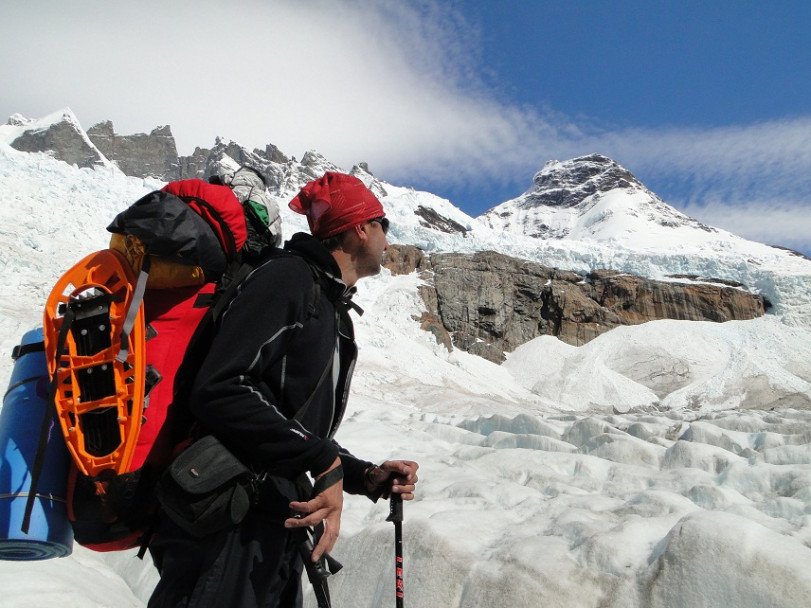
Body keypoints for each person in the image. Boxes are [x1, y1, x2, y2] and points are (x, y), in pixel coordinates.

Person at [148, 172, 420, 608]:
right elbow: (221, 387)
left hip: (273, 525)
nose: (388, 239)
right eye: (382, 224)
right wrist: (320, 457)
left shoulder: (329, 306)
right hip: (230, 527)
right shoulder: (289, 279)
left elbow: (291, 427)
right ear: (359, 228)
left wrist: (363, 475)